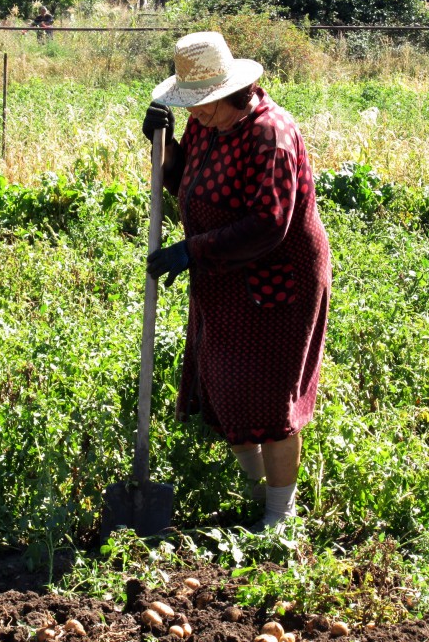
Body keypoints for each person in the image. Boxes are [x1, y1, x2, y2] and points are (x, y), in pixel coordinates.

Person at [142, 31, 331, 529]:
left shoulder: (271, 134)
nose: (196, 116)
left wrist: (193, 249)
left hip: (275, 280)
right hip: (223, 276)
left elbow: (269, 224)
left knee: (270, 398)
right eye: (191, 107)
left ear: (234, 93)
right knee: (227, 387)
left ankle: (279, 514)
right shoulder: (207, 123)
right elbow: (181, 177)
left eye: (204, 107)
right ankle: (253, 495)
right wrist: (161, 145)